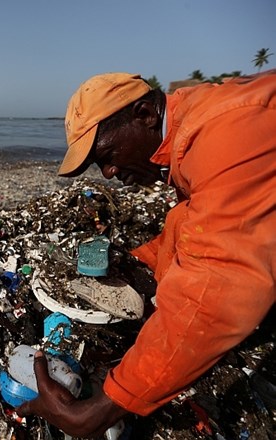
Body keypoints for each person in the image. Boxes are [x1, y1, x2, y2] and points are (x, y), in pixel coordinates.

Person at [16, 71, 276, 437]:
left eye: (106, 155)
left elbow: (215, 294)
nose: (109, 172)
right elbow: (192, 222)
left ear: (144, 115)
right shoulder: (192, 129)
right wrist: (138, 264)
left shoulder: (224, 137)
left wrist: (101, 408)